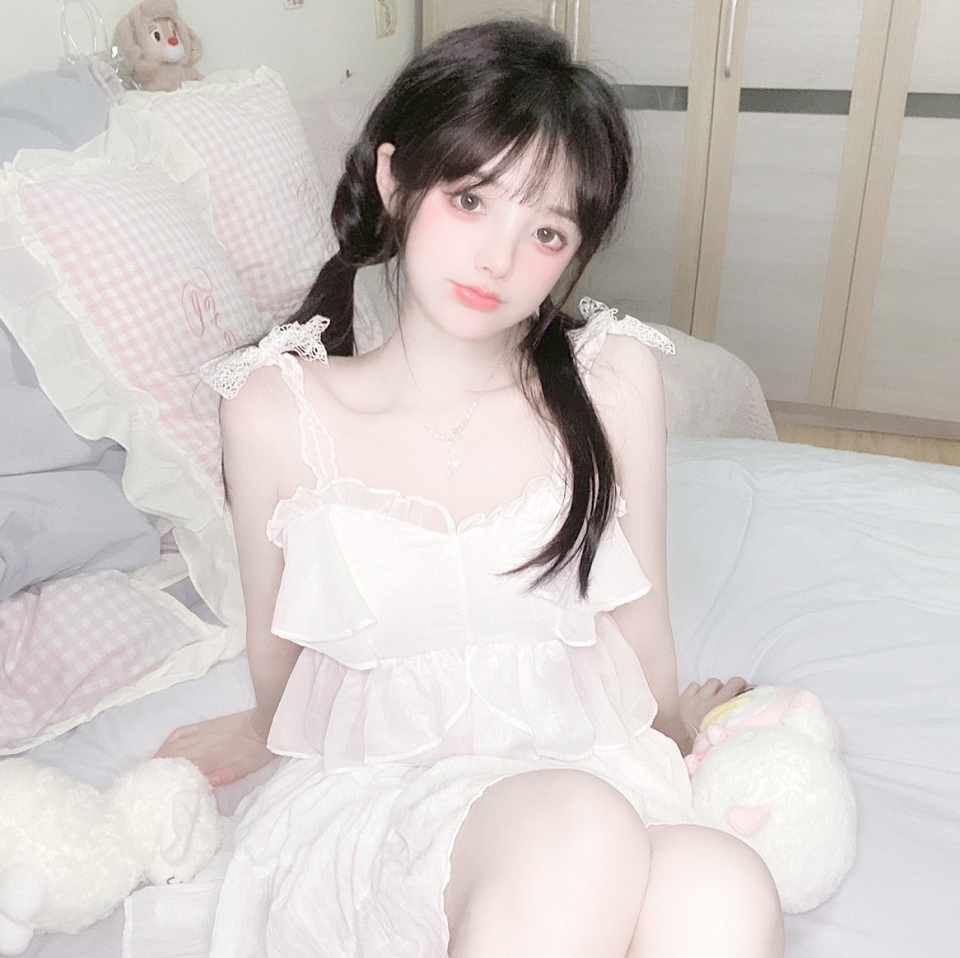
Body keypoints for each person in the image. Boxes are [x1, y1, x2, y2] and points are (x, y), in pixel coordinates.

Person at [159, 19, 785, 958]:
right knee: (577, 828)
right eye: (470, 199)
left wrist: (676, 726)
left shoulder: (613, 382)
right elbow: (275, 654)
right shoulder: (275, 410)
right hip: (388, 804)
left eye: (546, 231)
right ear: (394, 180)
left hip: (587, 762)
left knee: (723, 884)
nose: (499, 259)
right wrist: (261, 730)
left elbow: (641, 627)